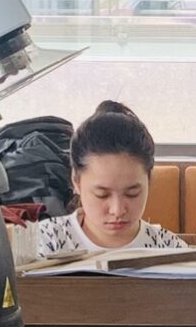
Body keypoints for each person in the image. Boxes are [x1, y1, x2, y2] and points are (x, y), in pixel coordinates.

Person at [30, 102, 186, 260]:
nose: (117, 211)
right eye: (102, 194)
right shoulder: (44, 241)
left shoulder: (170, 249)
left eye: (132, 193)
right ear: (76, 181)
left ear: (149, 180)